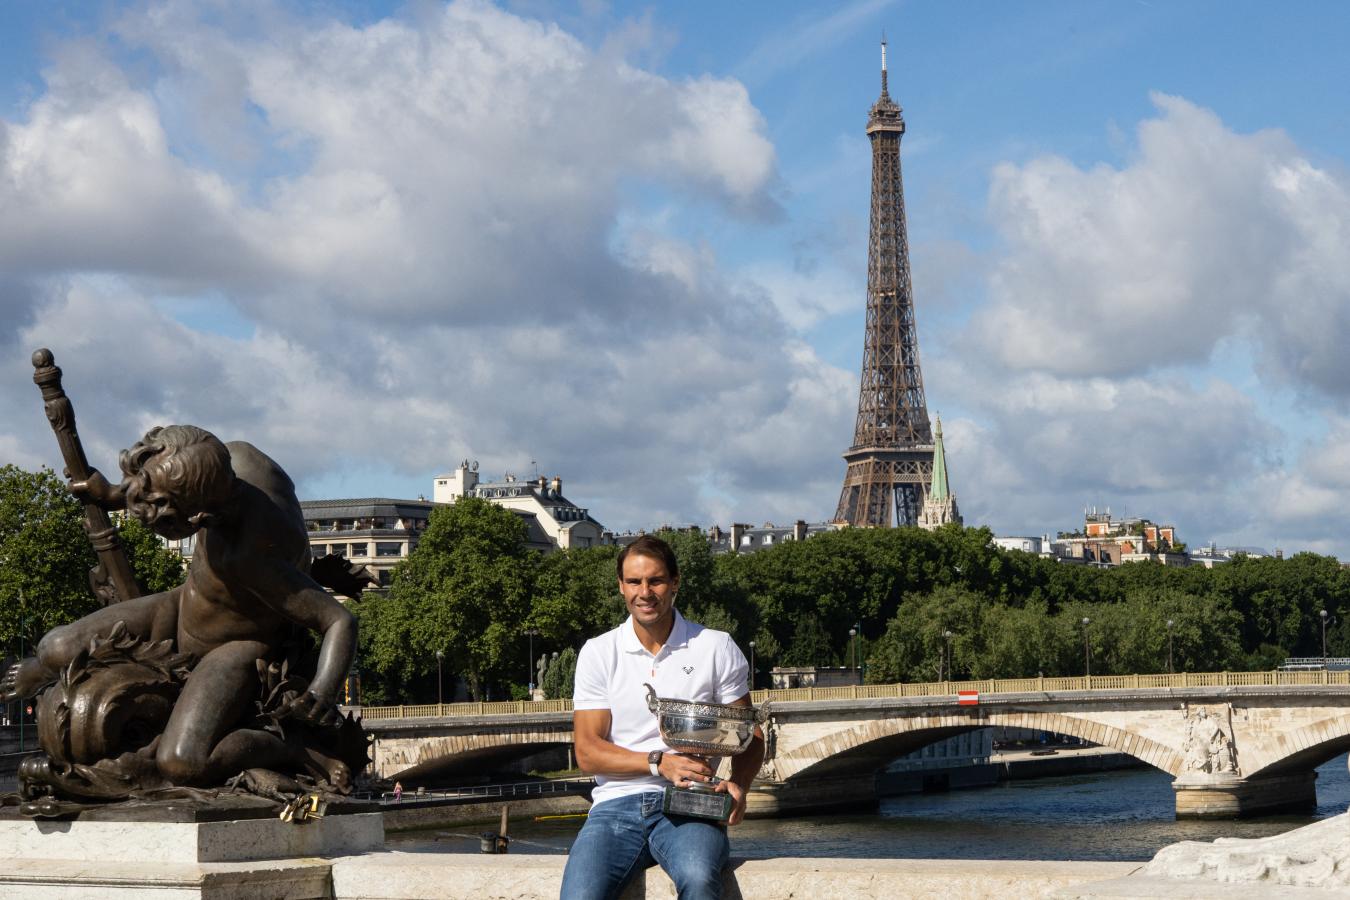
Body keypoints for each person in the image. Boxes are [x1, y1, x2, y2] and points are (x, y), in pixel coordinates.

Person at [0, 425, 356, 787]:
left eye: (166, 523)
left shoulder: (252, 557)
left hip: (235, 647)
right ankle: (44, 667)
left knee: (183, 763)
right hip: (181, 604)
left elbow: (339, 620)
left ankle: (292, 749)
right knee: (55, 647)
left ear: (200, 519)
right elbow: (171, 472)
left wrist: (323, 692)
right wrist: (112, 494)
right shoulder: (231, 458)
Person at [560, 535, 763, 900]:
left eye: (655, 581)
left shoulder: (715, 646)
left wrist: (740, 787)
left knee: (699, 879)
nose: (645, 592)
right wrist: (659, 764)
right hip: (615, 806)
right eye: (634, 582)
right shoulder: (599, 652)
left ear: (675, 583)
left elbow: (751, 735)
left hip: (693, 803)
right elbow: (588, 752)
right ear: (621, 587)